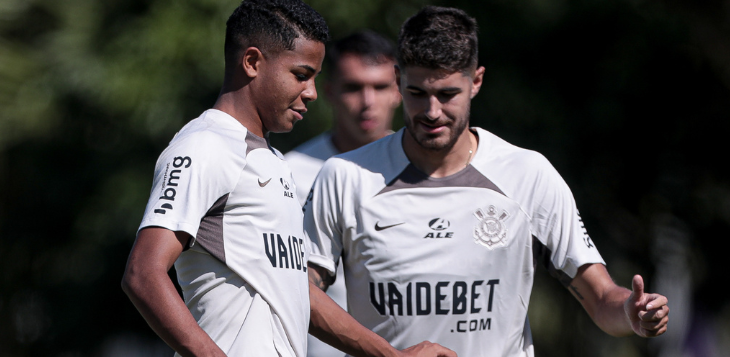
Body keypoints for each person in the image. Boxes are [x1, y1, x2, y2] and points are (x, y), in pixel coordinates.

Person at [304, 6, 670, 357]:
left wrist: (630, 313)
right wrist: (387, 355)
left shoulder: (528, 175)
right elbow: (298, 291)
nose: (432, 112)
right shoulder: (345, 176)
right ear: (399, 80)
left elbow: (601, 297)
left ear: (476, 81)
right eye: (417, 93)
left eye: (448, 95)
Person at [120, 1, 329, 356]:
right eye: (300, 74)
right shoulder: (205, 145)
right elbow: (143, 272)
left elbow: (296, 292)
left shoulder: (273, 160)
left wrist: (390, 354)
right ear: (252, 62)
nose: (312, 92)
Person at [283, 30, 400, 357]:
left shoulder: (423, 173)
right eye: (353, 88)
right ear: (330, 92)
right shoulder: (288, 174)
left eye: (379, 87)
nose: (367, 102)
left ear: (400, 90)